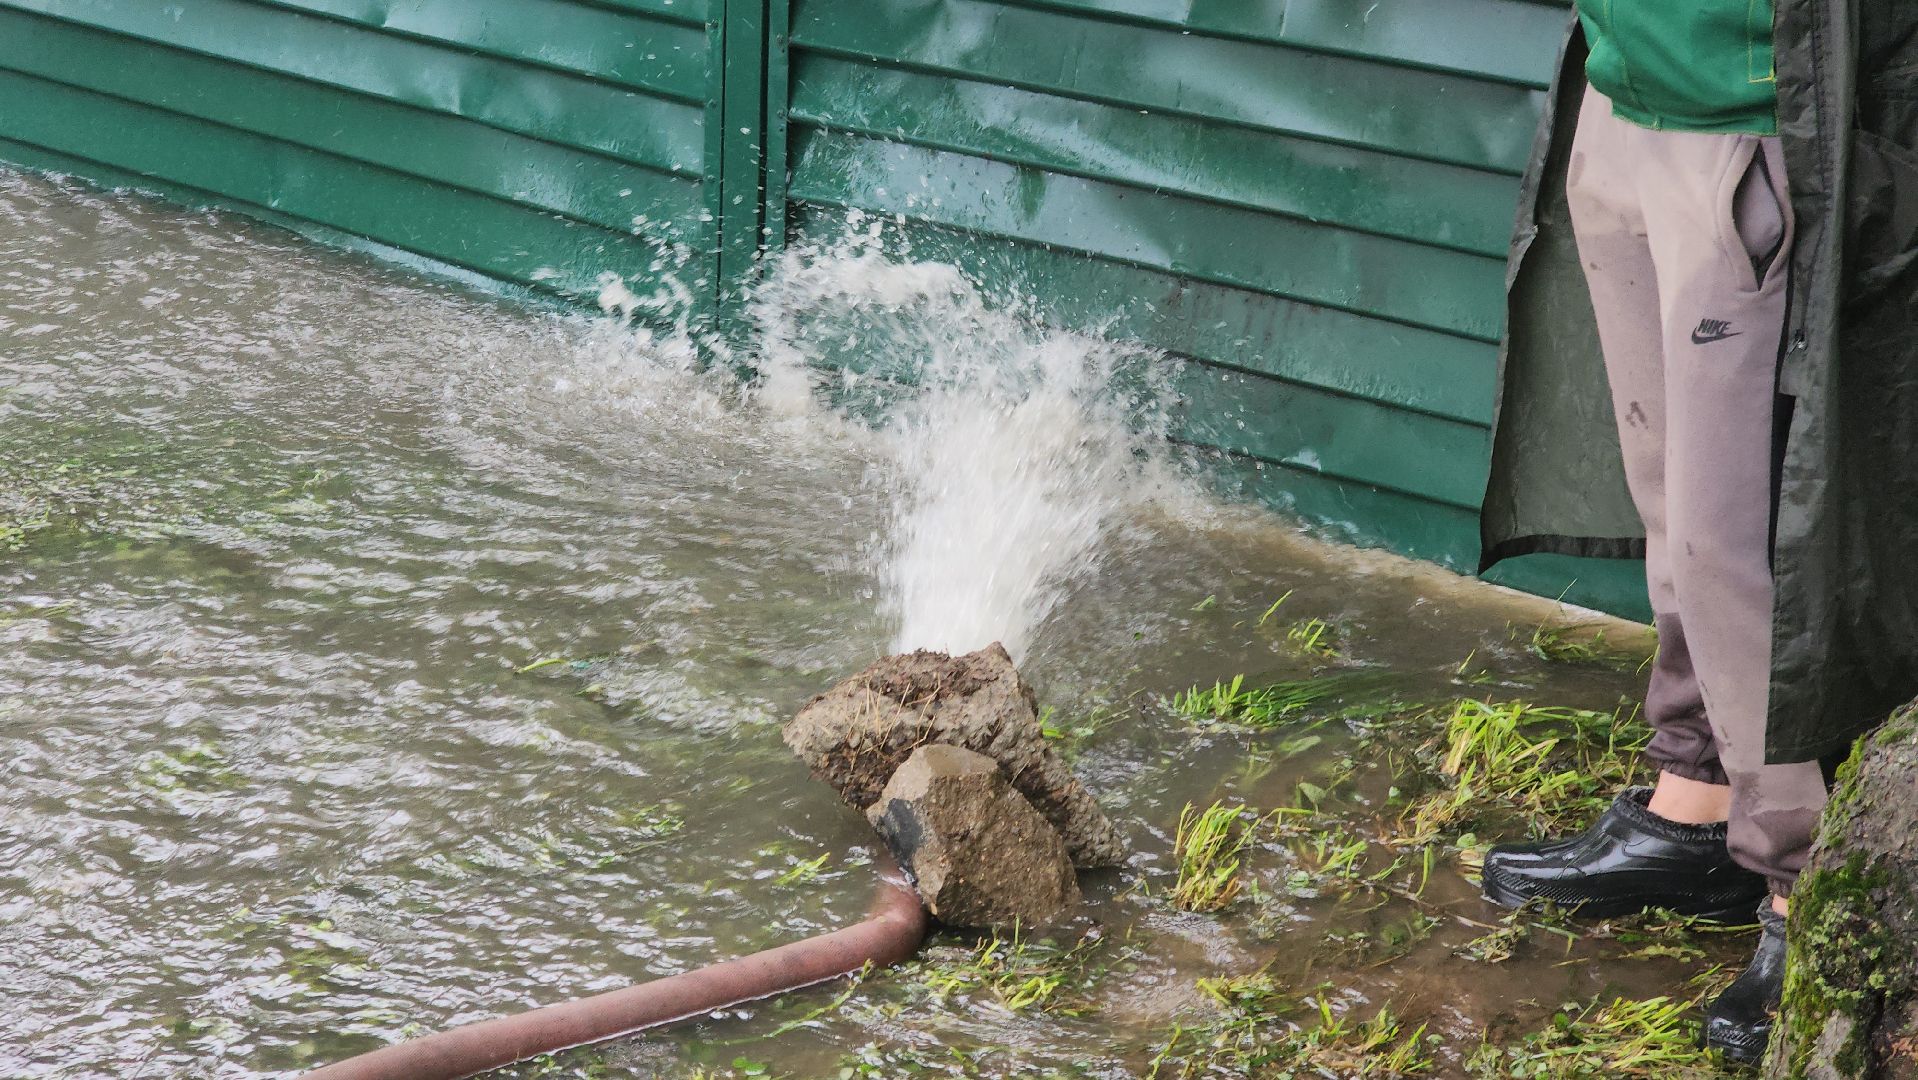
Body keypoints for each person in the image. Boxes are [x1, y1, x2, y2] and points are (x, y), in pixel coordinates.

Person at [1477, 0, 1918, 1064]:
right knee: (1671, 501)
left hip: (1753, 111)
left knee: (1746, 534)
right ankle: (1697, 796)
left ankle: (1800, 880)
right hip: (1627, 89)